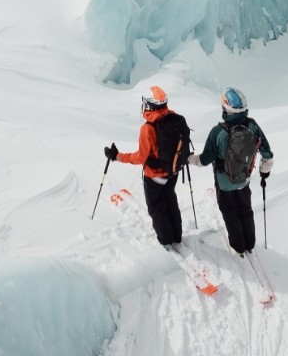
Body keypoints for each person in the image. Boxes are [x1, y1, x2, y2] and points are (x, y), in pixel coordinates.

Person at [106, 84, 190, 247]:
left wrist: (117, 156)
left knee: (156, 208)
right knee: (170, 200)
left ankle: (166, 240)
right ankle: (177, 236)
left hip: (155, 177)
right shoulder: (173, 117)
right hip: (173, 172)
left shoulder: (148, 128)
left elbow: (141, 157)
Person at [198, 87, 272, 255]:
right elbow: (267, 152)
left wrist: (189, 159)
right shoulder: (252, 125)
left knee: (230, 212)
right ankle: (250, 244)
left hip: (224, 183)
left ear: (226, 108)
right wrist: (264, 171)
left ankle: (238, 247)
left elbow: (204, 160)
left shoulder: (218, 131)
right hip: (244, 179)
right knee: (245, 210)